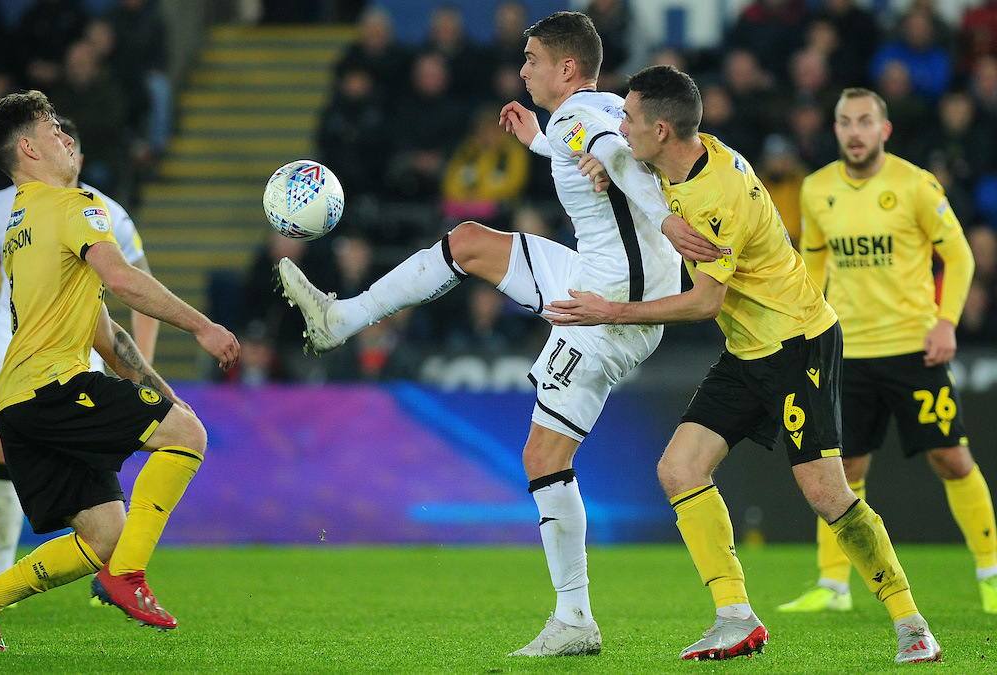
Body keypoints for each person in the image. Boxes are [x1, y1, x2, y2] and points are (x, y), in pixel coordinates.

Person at [278, 12, 718, 658]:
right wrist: (540, 143)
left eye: (533, 58)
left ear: (567, 68)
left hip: (608, 305)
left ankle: (574, 618)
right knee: (469, 243)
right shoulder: (592, 108)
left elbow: (612, 158)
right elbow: (604, 151)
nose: (522, 69)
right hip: (602, 275)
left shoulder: (584, 120)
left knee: (543, 458)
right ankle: (342, 317)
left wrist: (665, 220)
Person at [555, 65, 941, 663]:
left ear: (661, 128)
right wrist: (600, 158)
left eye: (629, 119)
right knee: (680, 469)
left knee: (825, 493)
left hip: (795, 342)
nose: (621, 128)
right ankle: (736, 618)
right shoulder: (687, 154)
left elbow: (704, 301)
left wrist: (610, 310)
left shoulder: (717, 196)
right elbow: (636, 168)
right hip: (746, 348)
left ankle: (911, 623)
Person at [0, 90, 239, 651]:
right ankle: (128, 577)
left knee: (104, 535)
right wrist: (202, 326)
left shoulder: (22, 222)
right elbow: (122, 278)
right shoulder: (75, 207)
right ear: (27, 147)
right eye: (53, 128)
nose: (66, 135)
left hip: (18, 401)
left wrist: (166, 397)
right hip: (55, 387)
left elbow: (111, 335)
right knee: (189, 439)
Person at [780, 88, 996, 614]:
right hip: (846, 354)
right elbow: (813, 269)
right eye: (845, 122)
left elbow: (960, 257)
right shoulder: (817, 189)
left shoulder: (916, 185)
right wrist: (806, 332)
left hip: (913, 350)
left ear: (884, 129)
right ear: (835, 130)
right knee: (841, 470)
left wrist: (946, 324)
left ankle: (991, 574)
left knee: (951, 458)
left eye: (865, 122)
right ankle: (833, 587)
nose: (855, 132)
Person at [0, 117, 160, 583]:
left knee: (98, 462)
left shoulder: (106, 212)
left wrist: (139, 361)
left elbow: (140, 284)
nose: (68, 152)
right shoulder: (0, 207)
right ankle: (3, 569)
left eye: (72, 145)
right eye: (58, 140)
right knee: (3, 450)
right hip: (13, 346)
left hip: (83, 349)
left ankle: (114, 562)